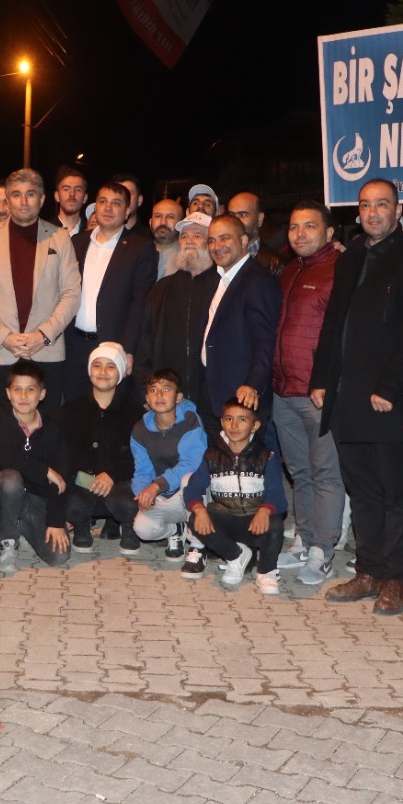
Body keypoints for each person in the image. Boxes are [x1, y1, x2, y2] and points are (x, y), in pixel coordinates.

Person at [312, 178, 403, 615]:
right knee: (362, 490)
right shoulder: (350, 258)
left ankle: (395, 578)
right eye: (365, 205)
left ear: (398, 210)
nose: (372, 212)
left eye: (381, 204)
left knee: (396, 493)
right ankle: (367, 571)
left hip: (388, 398)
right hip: (347, 396)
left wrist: (390, 387)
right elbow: (333, 322)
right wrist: (321, 378)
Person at [271, 201, 345, 587]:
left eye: (310, 226)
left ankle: (323, 551)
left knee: (325, 473)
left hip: (318, 392)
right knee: (300, 472)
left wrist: (329, 380)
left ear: (329, 233)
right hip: (283, 390)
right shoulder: (288, 271)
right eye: (294, 226)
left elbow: (345, 333)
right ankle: (305, 540)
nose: (300, 233)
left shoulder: (341, 269)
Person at [0, 168, 81, 418]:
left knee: (48, 425)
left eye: (30, 194)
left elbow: (72, 294)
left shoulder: (61, 239)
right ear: (8, 200)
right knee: (2, 426)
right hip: (1, 352)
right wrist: (4, 337)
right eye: (16, 195)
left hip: (46, 351)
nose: (24, 201)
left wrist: (44, 335)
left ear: (42, 199)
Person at [184, 401, 288, 594]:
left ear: (255, 425)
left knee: (275, 523)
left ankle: (266, 571)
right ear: (222, 422)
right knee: (196, 518)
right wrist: (199, 509)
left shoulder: (267, 456)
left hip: (255, 524)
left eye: (242, 420)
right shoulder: (212, 455)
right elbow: (192, 490)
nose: (234, 425)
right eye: (229, 419)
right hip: (227, 522)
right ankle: (235, 555)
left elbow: (279, 498)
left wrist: (265, 510)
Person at [66, 181, 157, 400]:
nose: (108, 208)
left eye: (116, 203)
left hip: (113, 346)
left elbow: (139, 302)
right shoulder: (76, 242)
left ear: (127, 211)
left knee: (110, 411)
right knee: (74, 408)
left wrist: (127, 348)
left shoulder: (140, 247)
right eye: (103, 201)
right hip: (73, 345)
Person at [199, 213, 281, 439]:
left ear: (244, 241)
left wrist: (252, 385)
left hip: (243, 397)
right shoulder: (218, 279)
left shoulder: (259, 281)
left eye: (225, 238)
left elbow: (266, 340)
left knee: (251, 460)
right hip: (214, 392)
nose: (217, 246)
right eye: (212, 240)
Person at [0, 359, 72, 574]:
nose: (24, 396)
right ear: (8, 393)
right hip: (5, 494)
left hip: (36, 499)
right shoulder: (0, 420)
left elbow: (61, 479)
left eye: (30, 390)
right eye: (17, 389)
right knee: (11, 479)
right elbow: (6, 458)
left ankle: (23, 526)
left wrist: (56, 521)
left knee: (58, 556)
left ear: (42, 394)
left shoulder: (53, 428)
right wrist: (45, 471)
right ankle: (8, 541)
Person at [61, 343, 143, 554]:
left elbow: (139, 456)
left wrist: (112, 474)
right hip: (83, 480)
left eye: (111, 366)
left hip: (120, 480)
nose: (103, 372)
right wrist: (88, 477)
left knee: (128, 504)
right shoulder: (71, 410)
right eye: (97, 365)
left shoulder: (134, 411)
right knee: (73, 505)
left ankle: (127, 526)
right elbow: (66, 454)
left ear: (120, 373)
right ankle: (81, 525)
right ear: (89, 371)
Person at [137, 213, 215, 404]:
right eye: (184, 236)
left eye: (197, 235)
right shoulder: (162, 289)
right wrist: (145, 388)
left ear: (211, 243)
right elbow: (145, 343)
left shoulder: (222, 286)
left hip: (211, 396)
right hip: (168, 400)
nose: (189, 240)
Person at [131, 368, 207, 562]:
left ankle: (197, 545)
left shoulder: (190, 420)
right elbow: (142, 470)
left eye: (166, 389)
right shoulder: (140, 430)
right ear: (147, 399)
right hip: (164, 496)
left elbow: (192, 463)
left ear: (178, 397)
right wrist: (142, 493)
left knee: (189, 478)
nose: (159, 395)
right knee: (142, 529)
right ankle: (176, 529)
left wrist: (157, 485)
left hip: (192, 494)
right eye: (153, 390)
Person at [149, 198, 184, 279]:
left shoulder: (189, 256)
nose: (163, 222)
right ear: (150, 222)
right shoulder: (138, 253)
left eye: (170, 217)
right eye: (158, 216)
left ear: (181, 224)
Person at [52, 166, 88, 235]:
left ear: (85, 198)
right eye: (66, 189)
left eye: (78, 190)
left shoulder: (93, 233)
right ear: (57, 196)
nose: (72, 194)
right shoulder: (43, 232)